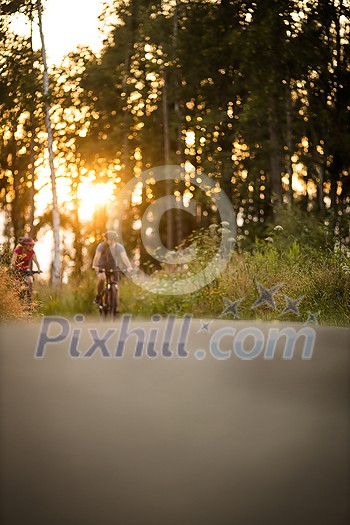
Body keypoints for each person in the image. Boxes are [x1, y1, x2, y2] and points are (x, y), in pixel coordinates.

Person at [92, 230, 132, 304]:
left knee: (115, 285)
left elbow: (124, 257)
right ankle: (98, 296)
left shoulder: (119, 247)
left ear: (113, 240)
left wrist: (129, 266)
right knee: (102, 278)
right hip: (102, 266)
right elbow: (97, 256)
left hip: (113, 266)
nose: (107, 241)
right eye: (106, 239)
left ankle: (115, 306)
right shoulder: (102, 246)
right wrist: (94, 265)